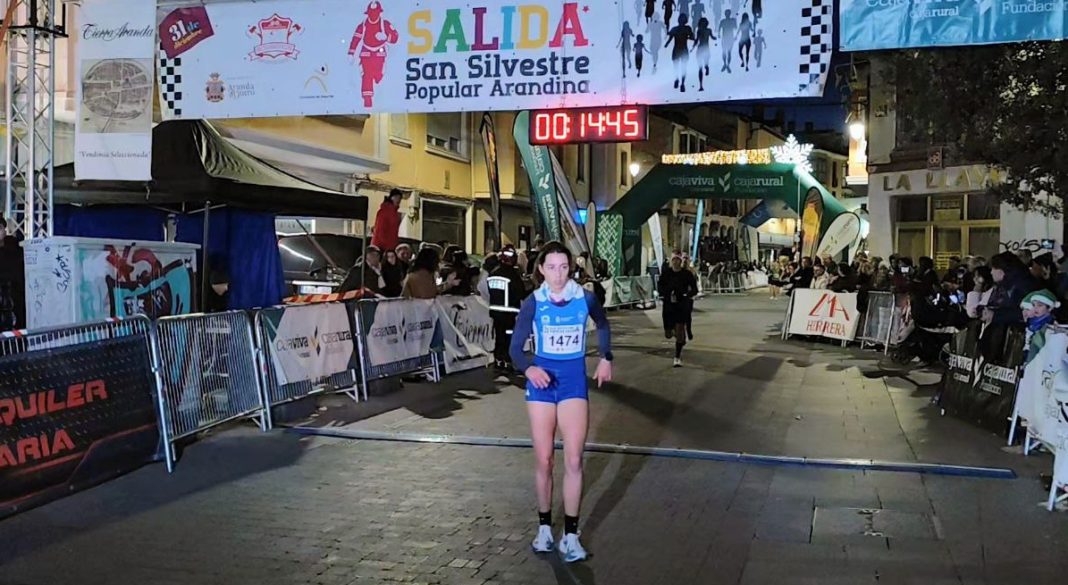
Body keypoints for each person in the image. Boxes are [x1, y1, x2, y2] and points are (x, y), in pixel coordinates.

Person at [509, 241, 612, 563]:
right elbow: (514, 350)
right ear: (541, 269)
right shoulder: (533, 302)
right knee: (544, 461)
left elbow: (604, 323)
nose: (557, 274)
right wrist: (530, 367)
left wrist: (606, 357)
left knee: (573, 461)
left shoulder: (585, 298)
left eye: (563, 267)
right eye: (551, 267)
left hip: (572, 383)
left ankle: (570, 534)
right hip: (542, 386)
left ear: (572, 268)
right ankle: (543, 528)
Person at [487, 246, 528, 371]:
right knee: (508, 338)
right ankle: (507, 361)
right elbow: (520, 292)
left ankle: (498, 360)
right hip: (509, 312)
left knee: (499, 337)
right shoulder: (512, 274)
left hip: (495, 311)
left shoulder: (493, 273)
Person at [659, 254, 698, 366]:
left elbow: (694, 289)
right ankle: (678, 336)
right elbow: (660, 286)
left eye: (678, 260)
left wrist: (687, 295)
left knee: (680, 329)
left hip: (681, 306)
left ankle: (677, 357)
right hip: (668, 306)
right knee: (668, 334)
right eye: (674, 260)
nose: (676, 262)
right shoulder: (667, 273)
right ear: (671, 261)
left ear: (681, 261)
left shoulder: (687, 274)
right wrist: (664, 294)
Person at [665, 13, 695, 92]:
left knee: (683, 68)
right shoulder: (675, 28)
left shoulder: (687, 28)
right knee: (676, 67)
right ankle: (677, 79)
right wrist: (667, 43)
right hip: (677, 49)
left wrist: (689, 37)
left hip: (683, 50)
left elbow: (692, 37)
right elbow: (670, 37)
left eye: (683, 19)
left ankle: (682, 83)